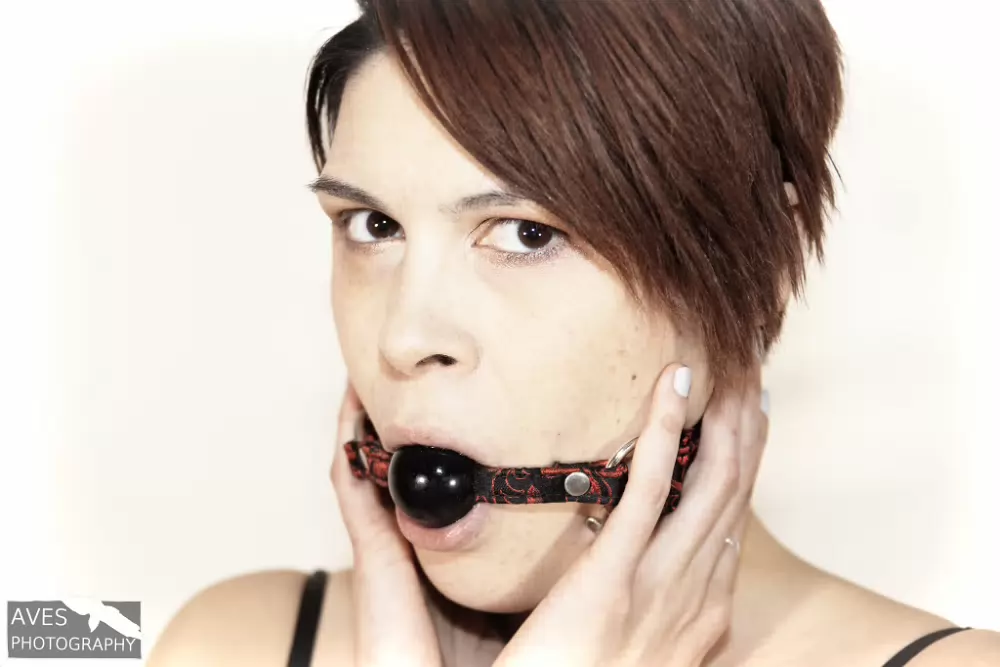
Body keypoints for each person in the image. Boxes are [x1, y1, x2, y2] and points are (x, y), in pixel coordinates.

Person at [148, 1, 1000, 665]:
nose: (404, 336)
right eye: (373, 226)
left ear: (758, 273)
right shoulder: (229, 642)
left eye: (526, 234)